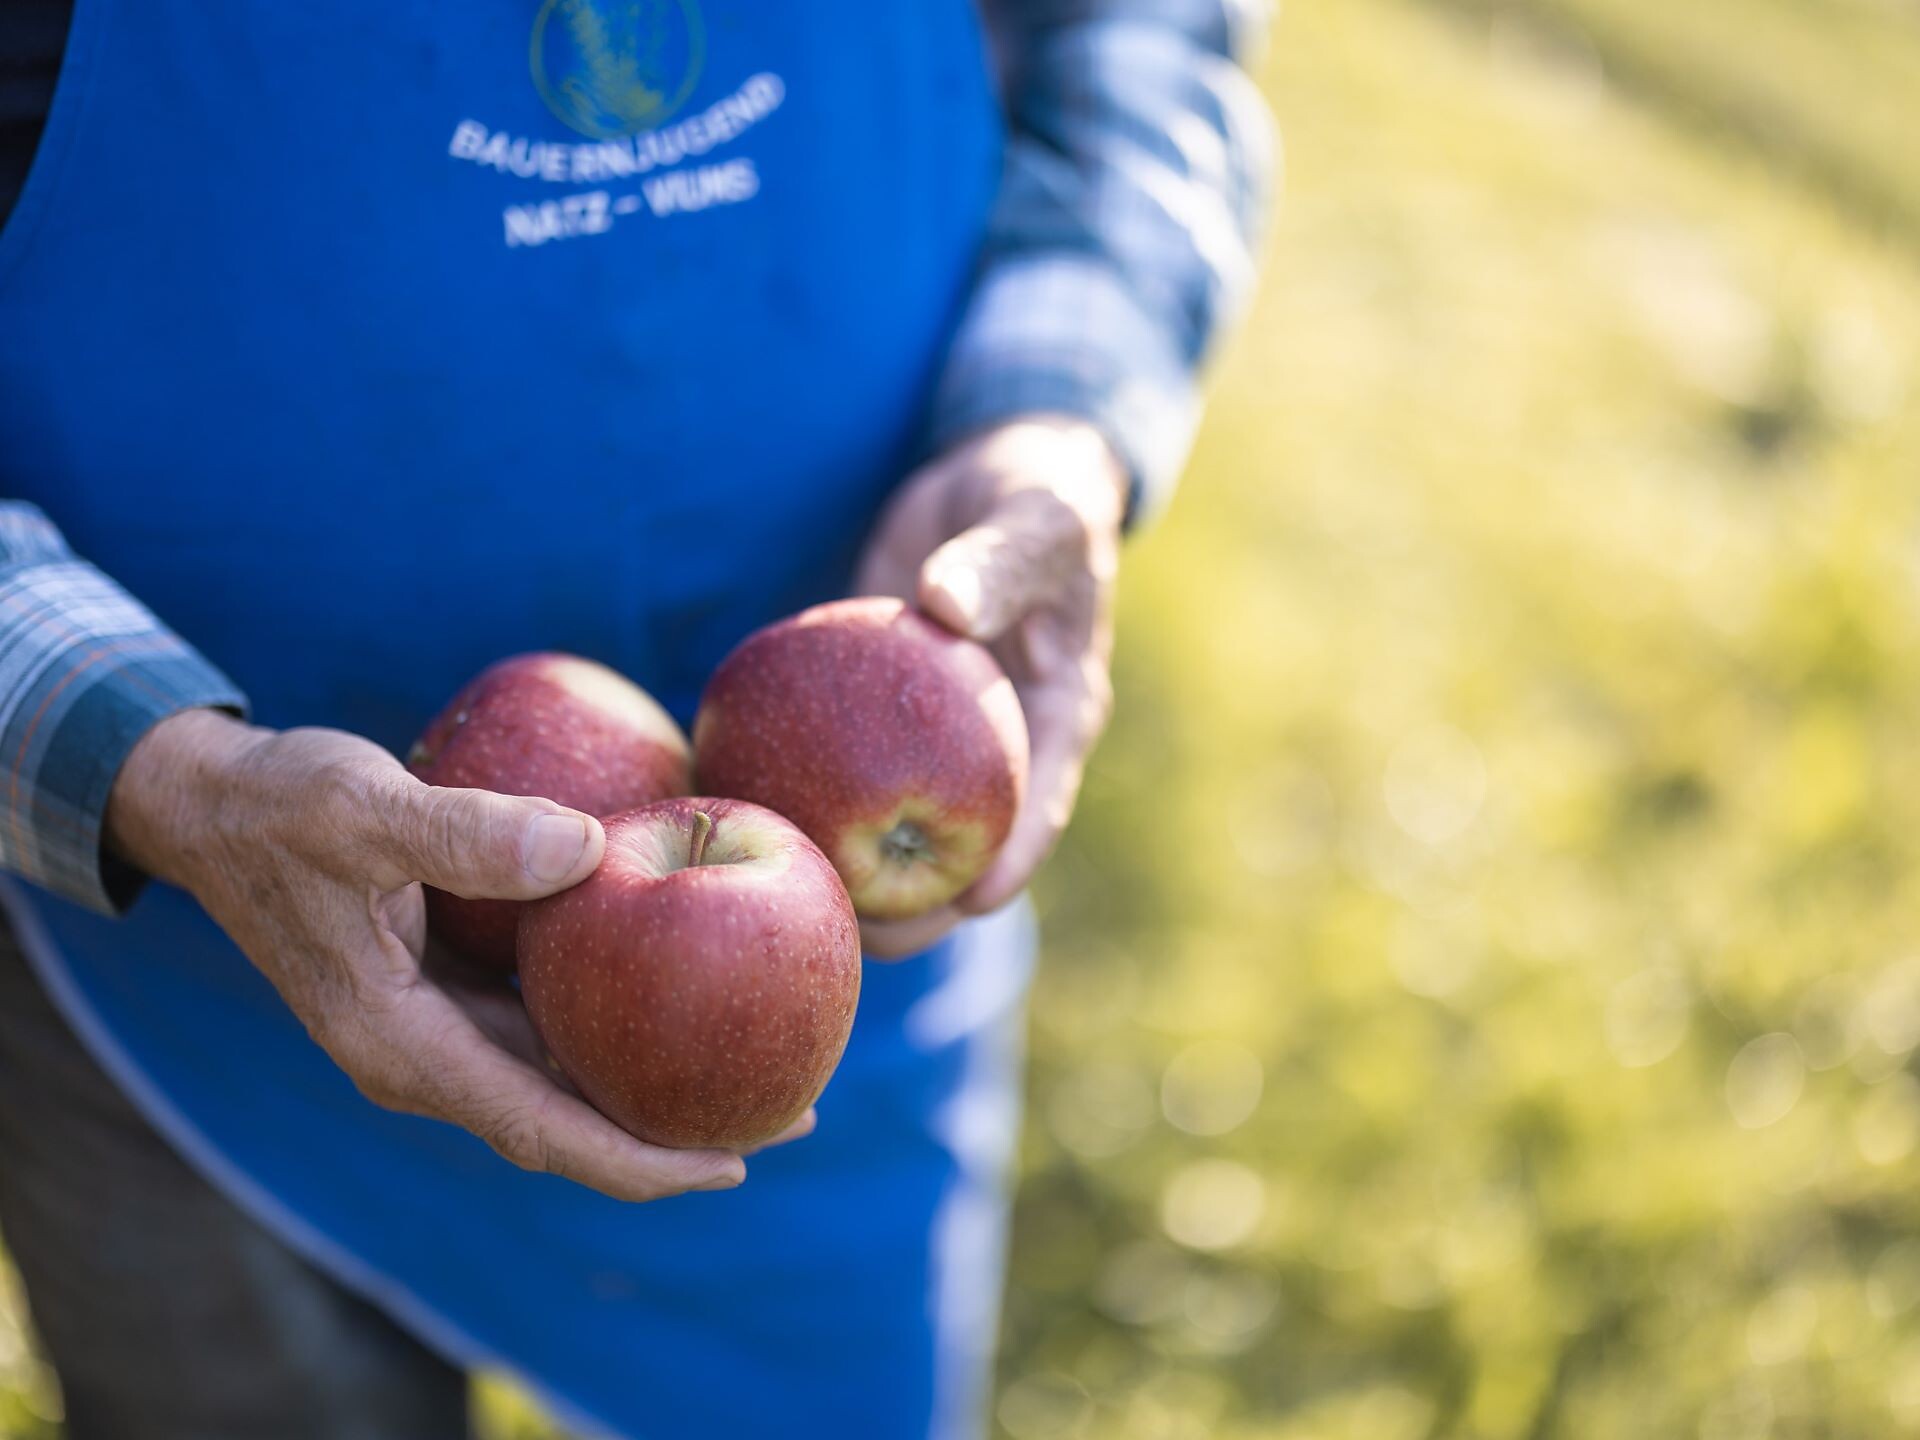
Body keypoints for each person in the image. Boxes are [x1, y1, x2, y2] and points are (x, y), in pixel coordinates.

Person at [0, 1, 1271, 1435]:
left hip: (843, 953)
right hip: (183, 973)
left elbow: (1137, 37)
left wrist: (1054, 415)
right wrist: (165, 775)